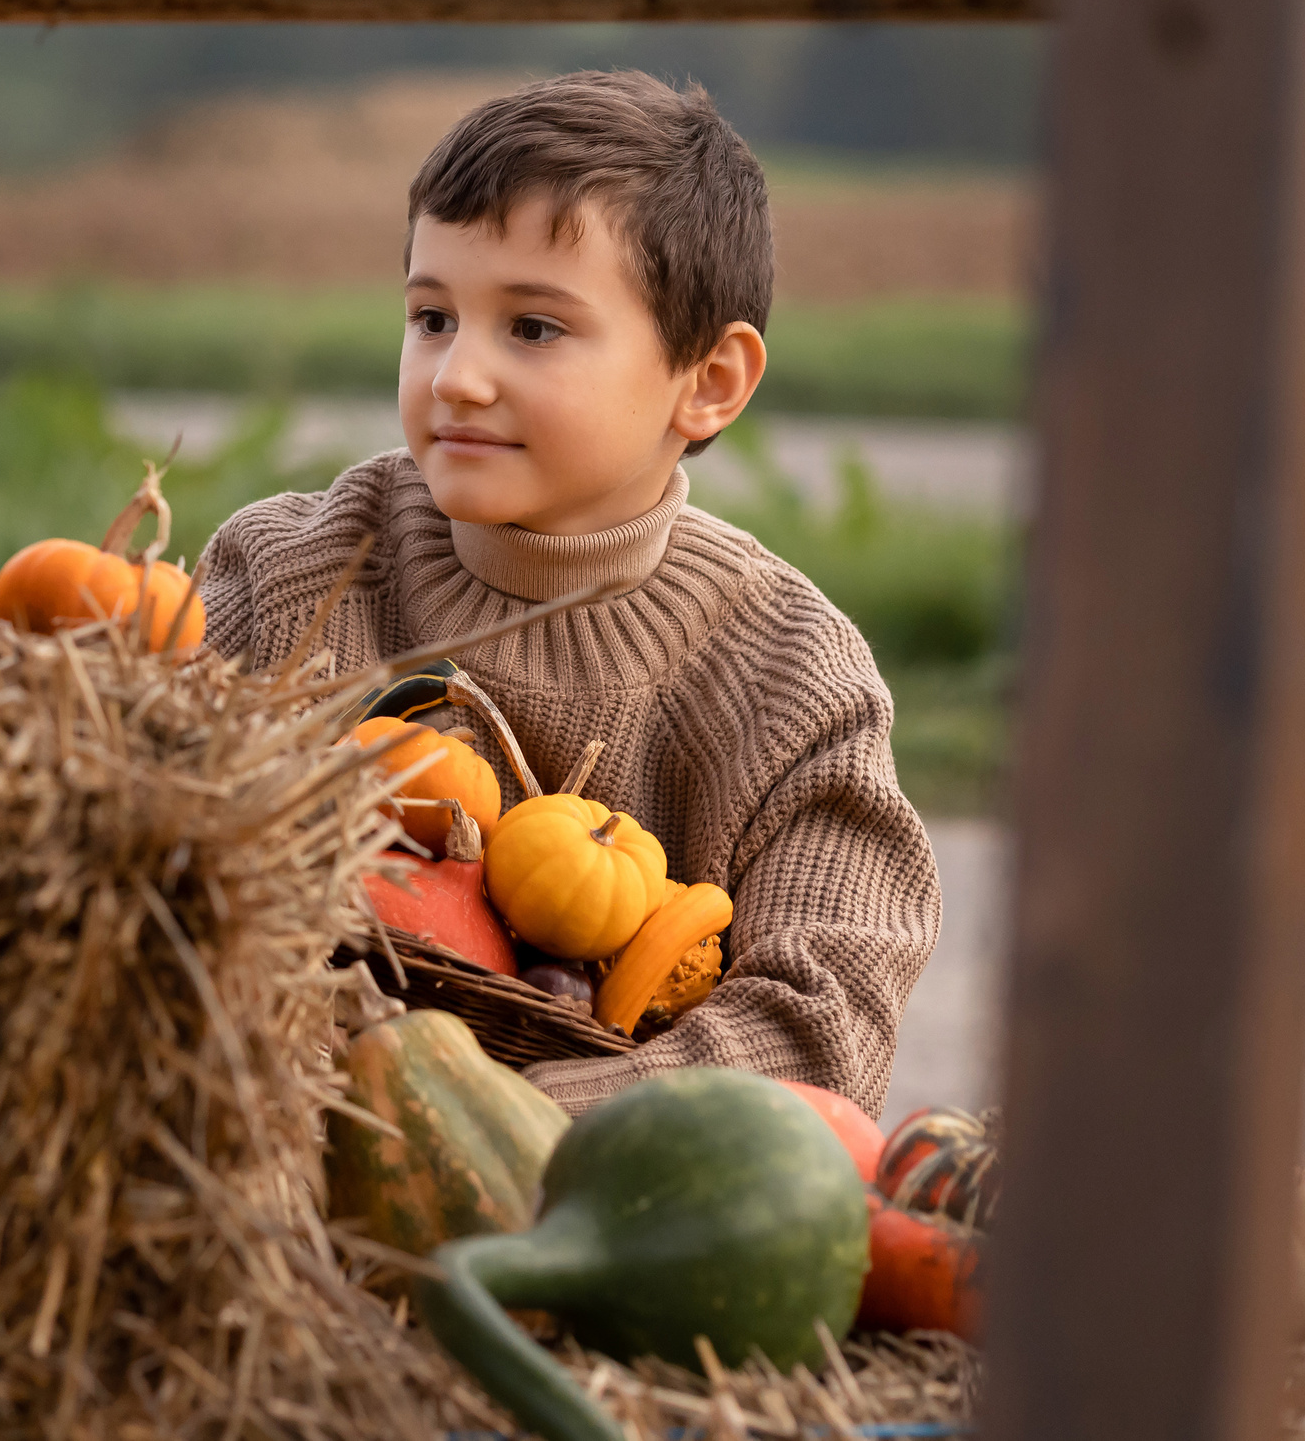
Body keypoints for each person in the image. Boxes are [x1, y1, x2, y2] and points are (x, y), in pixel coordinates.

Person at [198, 69, 940, 1117]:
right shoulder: (290, 575)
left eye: (533, 329)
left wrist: (513, 1131)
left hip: (606, 1226)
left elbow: (822, 1026)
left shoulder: (791, 681)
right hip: (268, 1153)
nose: (456, 375)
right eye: (431, 317)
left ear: (709, 381)